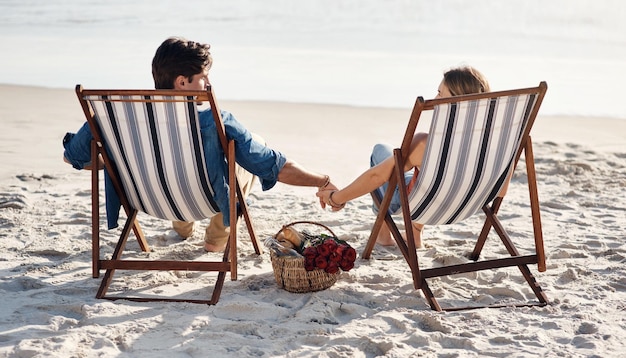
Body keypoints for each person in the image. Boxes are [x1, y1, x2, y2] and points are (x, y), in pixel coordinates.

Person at [63, 36, 341, 252]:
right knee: (249, 149)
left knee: (170, 161)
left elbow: (73, 157)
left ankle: (182, 227)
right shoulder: (214, 119)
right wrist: (322, 180)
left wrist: (115, 160)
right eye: (204, 77)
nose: (209, 84)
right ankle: (215, 239)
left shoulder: (114, 117)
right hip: (203, 201)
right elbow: (273, 166)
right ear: (182, 81)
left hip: (150, 202)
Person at [317, 66, 490, 249]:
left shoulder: (426, 144)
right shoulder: (493, 143)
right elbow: (500, 191)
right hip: (464, 205)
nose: (434, 98)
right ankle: (414, 234)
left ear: (455, 101)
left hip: (417, 205)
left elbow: (376, 176)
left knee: (381, 152)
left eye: (440, 93)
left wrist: (336, 198)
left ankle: (383, 235)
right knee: (421, 173)